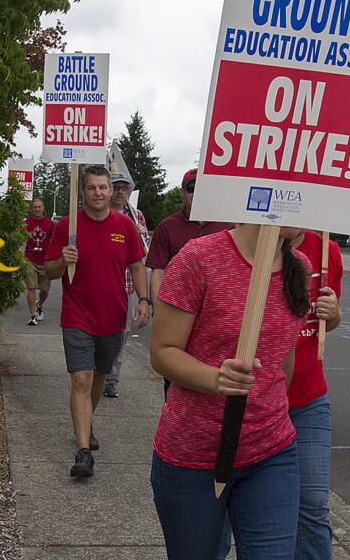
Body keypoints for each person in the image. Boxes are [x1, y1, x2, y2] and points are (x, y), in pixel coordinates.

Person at [136, 224, 311, 560]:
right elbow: (161, 352)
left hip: (270, 452)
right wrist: (214, 378)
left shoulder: (301, 269)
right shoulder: (200, 259)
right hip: (191, 453)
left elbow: (280, 371)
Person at [203, 231, 350, 560]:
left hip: (306, 400)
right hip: (250, 400)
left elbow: (321, 323)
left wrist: (334, 316)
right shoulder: (241, 242)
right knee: (228, 487)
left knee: (312, 504)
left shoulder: (327, 250)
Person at [44, 165, 150, 479]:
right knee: (81, 379)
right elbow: (49, 270)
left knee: (100, 378)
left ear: (111, 190)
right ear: (83, 191)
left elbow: (137, 266)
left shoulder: (125, 226)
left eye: (103, 187)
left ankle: (86, 421)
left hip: (113, 316)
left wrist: (143, 300)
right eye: (92, 188)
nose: (99, 193)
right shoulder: (67, 226)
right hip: (77, 315)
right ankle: (82, 452)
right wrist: (64, 260)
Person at [145, 168, 229, 300]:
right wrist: (158, 311)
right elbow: (158, 273)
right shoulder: (166, 228)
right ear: (182, 193)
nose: (197, 194)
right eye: (191, 189)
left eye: (202, 189)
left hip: (216, 304)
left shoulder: (227, 227)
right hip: (176, 304)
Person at [104, 171, 151, 398]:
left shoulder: (136, 216)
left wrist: (142, 235)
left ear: (129, 191)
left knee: (121, 334)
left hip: (126, 285)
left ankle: (112, 378)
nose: (121, 191)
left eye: (124, 187)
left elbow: (144, 254)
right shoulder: (100, 213)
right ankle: (98, 372)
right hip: (101, 284)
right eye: (117, 186)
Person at [24, 199, 55, 326]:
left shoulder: (50, 224)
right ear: (32, 209)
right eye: (35, 207)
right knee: (31, 288)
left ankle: (40, 305)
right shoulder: (26, 223)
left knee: (45, 290)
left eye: (39, 207)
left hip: (45, 261)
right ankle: (33, 316)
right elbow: (19, 237)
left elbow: (55, 241)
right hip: (29, 259)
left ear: (43, 208)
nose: (37, 209)